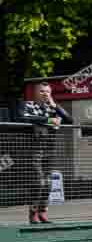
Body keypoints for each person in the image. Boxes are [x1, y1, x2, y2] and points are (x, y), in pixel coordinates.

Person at [16, 82, 73, 224]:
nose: (45, 94)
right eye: (42, 91)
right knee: (38, 181)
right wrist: (48, 120)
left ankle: (42, 212)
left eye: (48, 91)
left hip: (50, 148)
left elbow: (70, 120)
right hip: (34, 148)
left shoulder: (52, 107)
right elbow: (22, 117)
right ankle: (33, 212)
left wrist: (54, 106)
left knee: (48, 182)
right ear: (35, 93)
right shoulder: (27, 104)